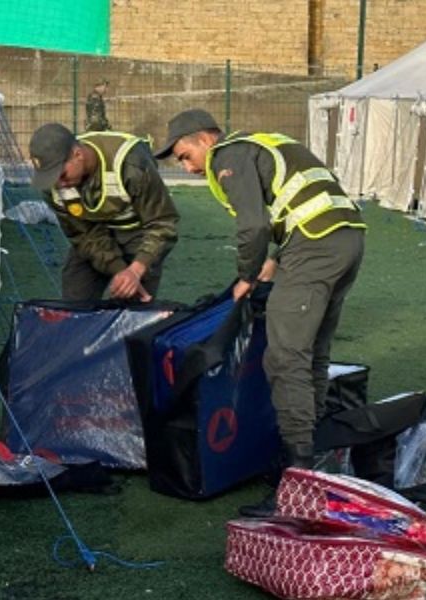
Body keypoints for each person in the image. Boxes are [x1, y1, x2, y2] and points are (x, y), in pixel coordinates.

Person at [156, 109, 365, 516]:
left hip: (315, 248)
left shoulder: (228, 156)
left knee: (285, 358)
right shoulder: (262, 142)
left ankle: (298, 482)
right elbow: (302, 203)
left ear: (205, 139)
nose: (188, 168)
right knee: (312, 354)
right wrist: (278, 259)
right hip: (346, 241)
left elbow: (253, 226)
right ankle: (311, 459)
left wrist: (246, 275)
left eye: (185, 156)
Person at [28, 122, 179, 302]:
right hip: (93, 231)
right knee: (75, 299)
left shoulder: (132, 164)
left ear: (78, 155)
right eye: (51, 178)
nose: (59, 185)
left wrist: (135, 270)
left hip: (139, 232)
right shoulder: (52, 185)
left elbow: (162, 223)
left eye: (62, 175)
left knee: (134, 307)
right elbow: (83, 235)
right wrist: (118, 269)